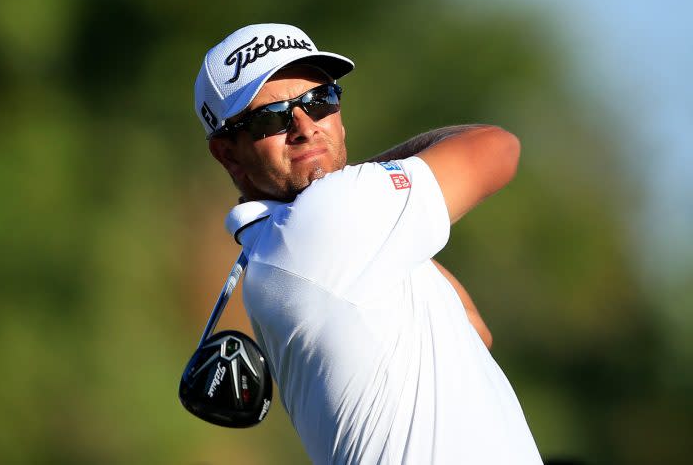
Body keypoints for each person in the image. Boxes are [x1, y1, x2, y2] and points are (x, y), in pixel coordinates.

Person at [194, 23, 542, 464]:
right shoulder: (334, 218)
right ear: (228, 153)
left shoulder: (293, 245)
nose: (305, 127)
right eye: (271, 118)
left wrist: (353, 187)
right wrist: (356, 181)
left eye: (319, 101)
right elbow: (498, 148)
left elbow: (473, 330)